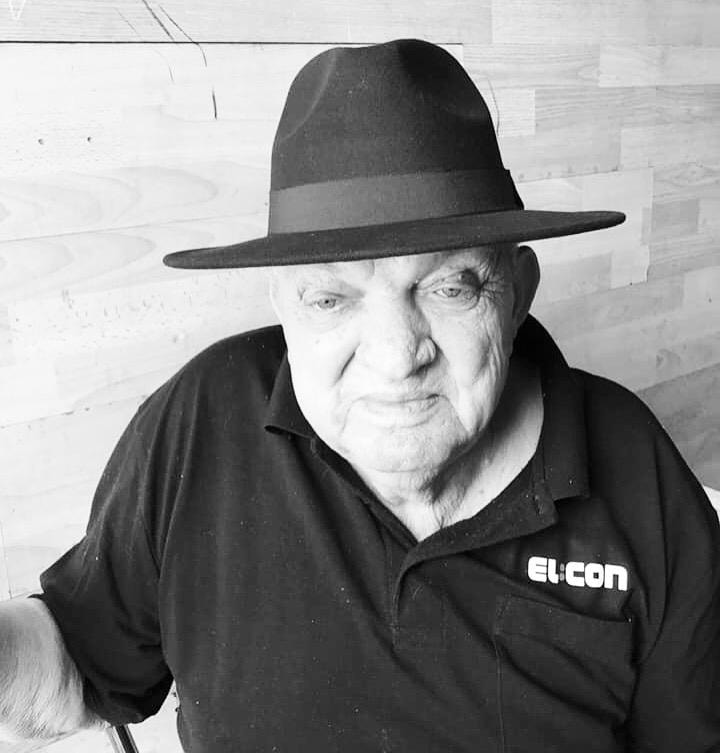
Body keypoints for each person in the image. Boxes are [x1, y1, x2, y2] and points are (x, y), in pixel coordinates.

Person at [1, 39, 718, 753]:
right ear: (282, 307)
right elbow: (80, 663)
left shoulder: (635, 468)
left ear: (517, 293)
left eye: (449, 287)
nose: (397, 355)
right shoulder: (202, 418)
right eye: (330, 299)